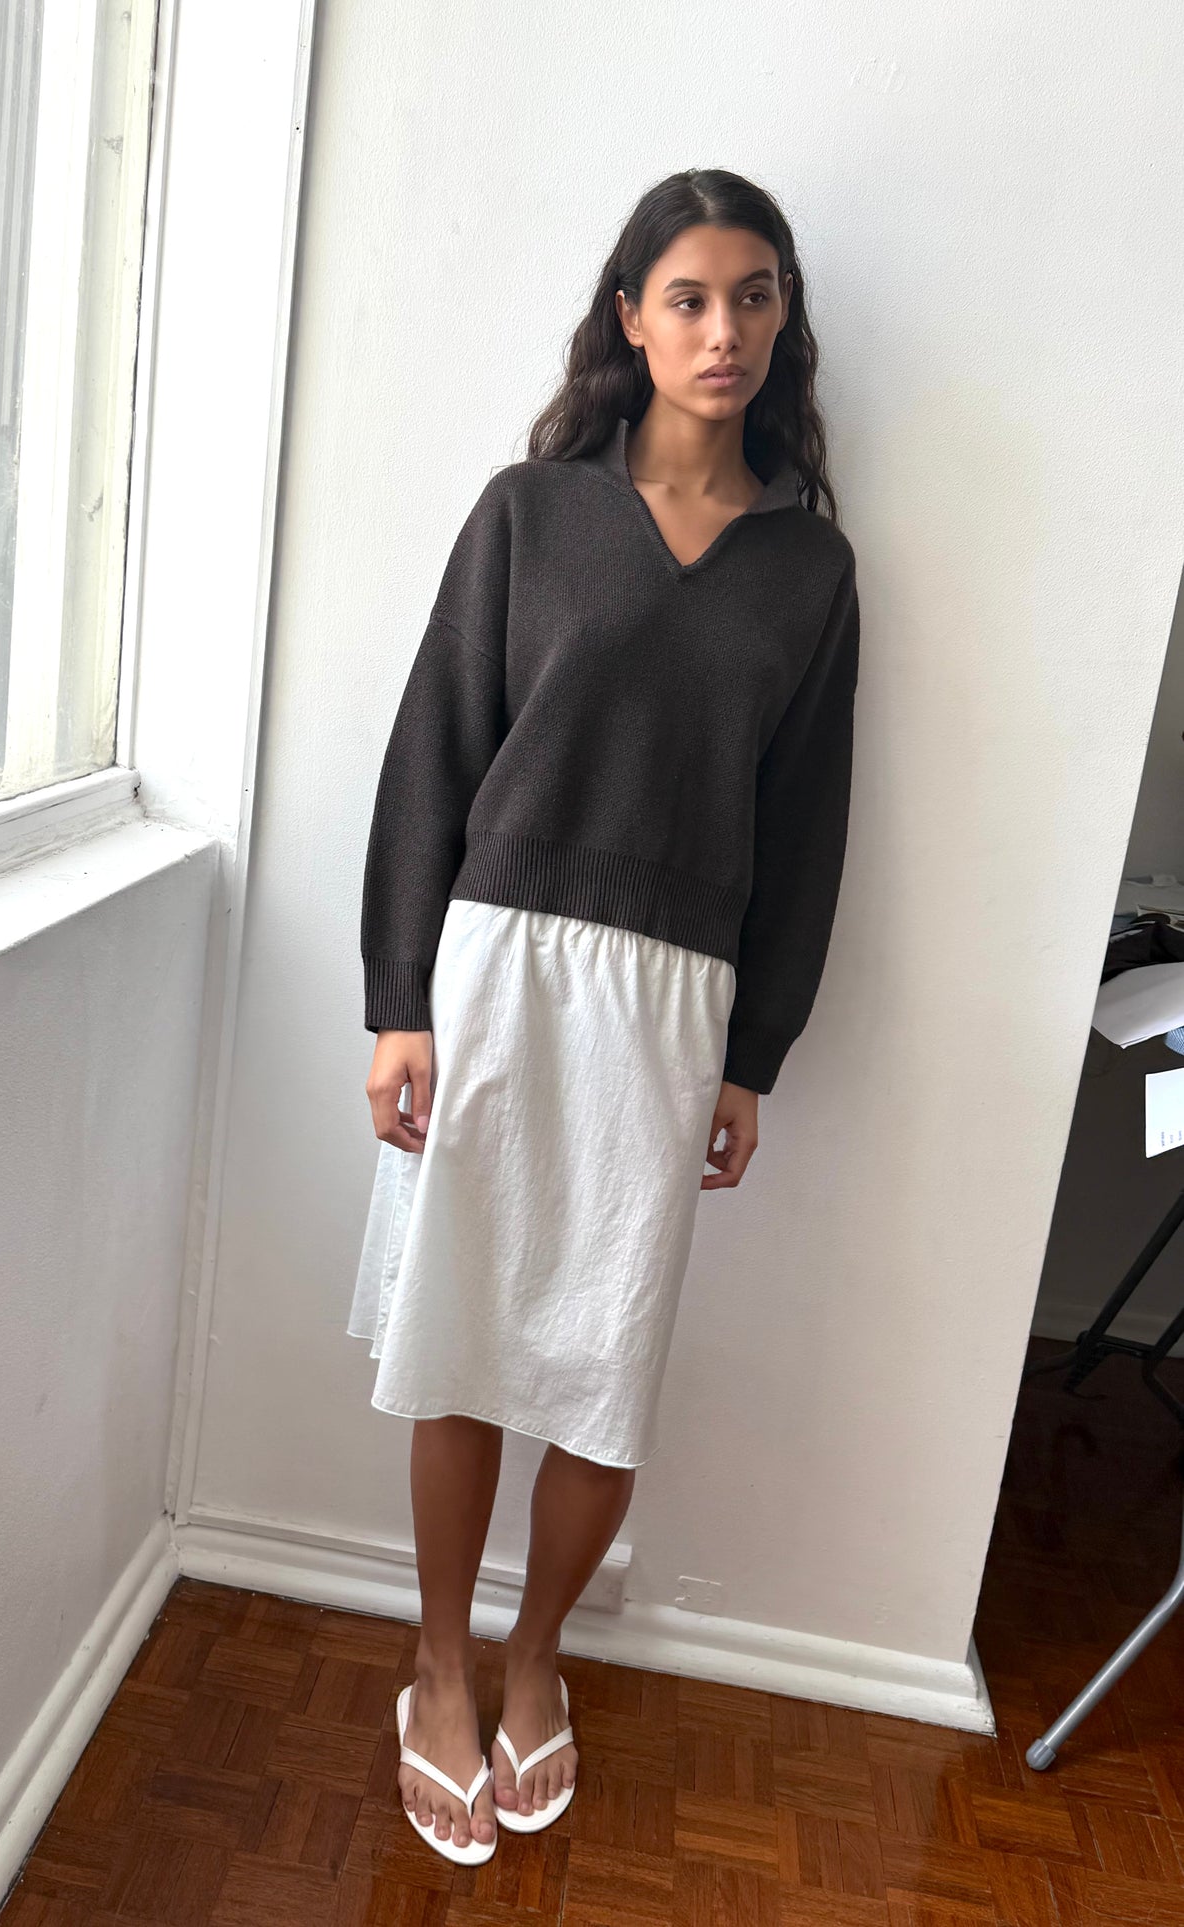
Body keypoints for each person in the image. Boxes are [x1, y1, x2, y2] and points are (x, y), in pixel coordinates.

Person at [347, 166, 861, 1864]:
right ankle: (435, 1665)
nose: (727, 332)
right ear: (630, 315)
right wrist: (397, 1001)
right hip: (494, 971)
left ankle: (533, 1654)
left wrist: (753, 1054)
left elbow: (805, 826)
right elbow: (434, 747)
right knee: (464, 1335)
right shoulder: (527, 513)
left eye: (757, 297)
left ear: (784, 324)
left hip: (670, 1002)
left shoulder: (808, 571)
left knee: (600, 1354)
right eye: (692, 297)